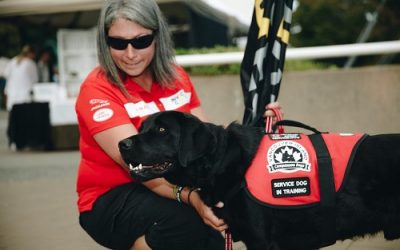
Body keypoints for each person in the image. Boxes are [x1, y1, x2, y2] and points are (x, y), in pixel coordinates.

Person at [75, 1, 282, 250]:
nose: (130, 54)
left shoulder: (175, 76)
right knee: (184, 223)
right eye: (118, 43)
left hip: (173, 184)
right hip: (110, 197)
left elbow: (208, 139)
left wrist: (257, 126)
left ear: (158, 36)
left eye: (140, 41)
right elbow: (139, 163)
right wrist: (193, 199)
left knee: (215, 230)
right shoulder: (96, 90)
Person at [3, 45, 38, 111]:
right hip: (24, 95)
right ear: (30, 54)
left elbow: (5, 74)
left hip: (12, 94)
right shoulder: (31, 63)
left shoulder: (12, 61)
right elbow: (35, 80)